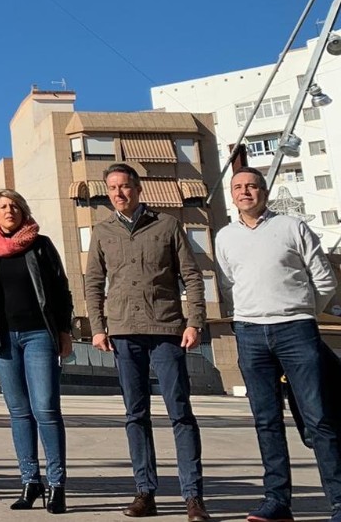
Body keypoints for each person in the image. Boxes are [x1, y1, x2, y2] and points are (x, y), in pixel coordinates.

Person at [84, 163, 209, 522]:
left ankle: (193, 497)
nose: (119, 193)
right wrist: (98, 327)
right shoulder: (102, 232)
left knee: (180, 412)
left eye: (124, 186)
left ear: (138, 189)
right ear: (107, 193)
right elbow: (93, 282)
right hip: (124, 333)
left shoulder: (167, 225)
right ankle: (145, 491)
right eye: (112, 188)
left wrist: (194, 321)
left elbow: (192, 276)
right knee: (135, 415)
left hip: (168, 329)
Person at [216, 167, 341, 522]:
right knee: (266, 421)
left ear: (264, 191)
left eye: (251, 186)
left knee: (319, 419)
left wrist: (300, 312)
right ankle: (277, 502)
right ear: (232, 194)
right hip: (250, 333)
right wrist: (252, 314)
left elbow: (324, 279)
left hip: (295, 330)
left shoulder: (292, 227)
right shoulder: (225, 237)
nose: (245, 192)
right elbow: (229, 285)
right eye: (238, 187)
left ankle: (338, 501)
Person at [0, 188, 72, 514]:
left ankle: (56, 485)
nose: (9, 210)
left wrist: (65, 330)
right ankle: (30, 481)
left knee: (45, 409)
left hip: (39, 335)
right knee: (19, 413)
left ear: (22, 211)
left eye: (14, 206)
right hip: (4, 339)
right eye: (3, 206)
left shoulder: (40, 245)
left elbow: (60, 288)